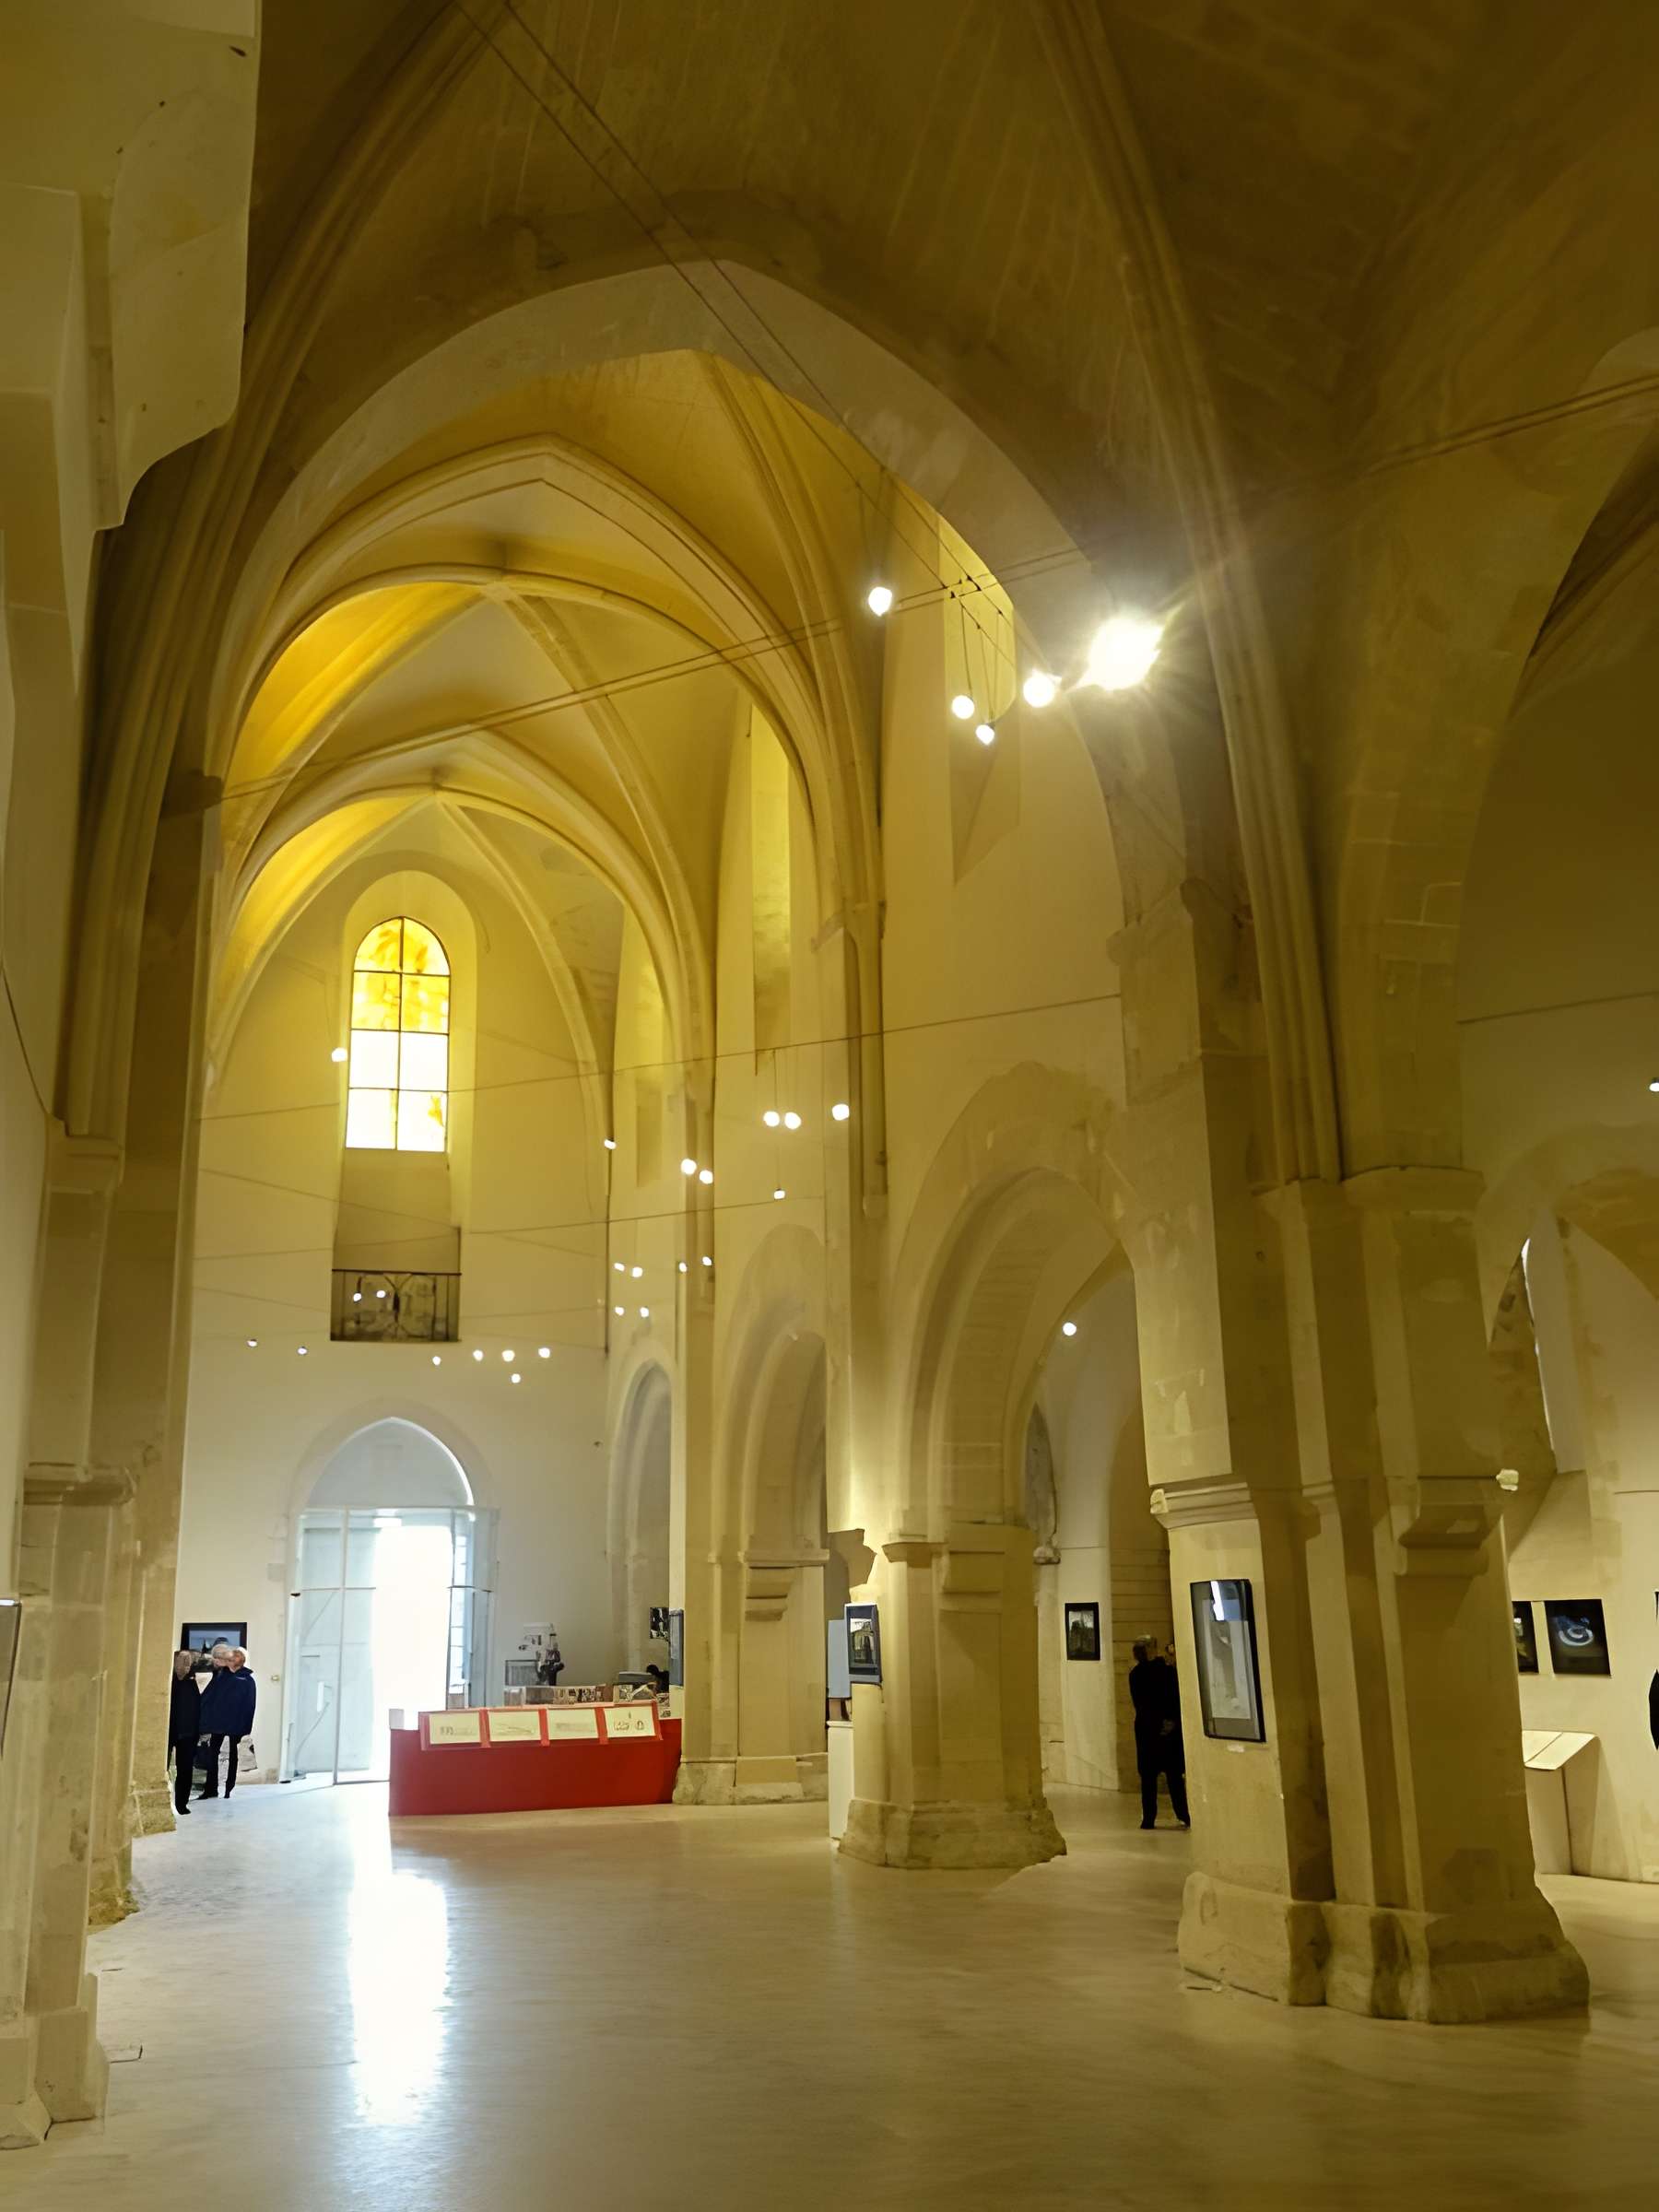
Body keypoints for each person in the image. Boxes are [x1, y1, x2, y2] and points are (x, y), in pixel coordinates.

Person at [1128, 1634, 1189, 1830]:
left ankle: (1151, 1818)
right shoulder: (1166, 1672)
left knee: (1153, 1777)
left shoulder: (1138, 1674)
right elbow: (1172, 1699)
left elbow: (1143, 1703)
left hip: (1149, 1729)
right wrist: (1169, 1721)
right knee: (1169, 1777)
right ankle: (1182, 1814)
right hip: (1161, 1729)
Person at [199, 1644, 256, 1798]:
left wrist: (246, 1729)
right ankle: (210, 1789)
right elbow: (209, 1698)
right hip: (217, 1723)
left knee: (233, 1756)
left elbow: (250, 1705)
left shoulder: (247, 1679)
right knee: (213, 1754)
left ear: (242, 1661)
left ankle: (228, 1789)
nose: (231, 1659)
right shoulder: (220, 1676)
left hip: (236, 1725)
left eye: (235, 1657)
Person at [169, 1649, 202, 1818]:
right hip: (169, 1730)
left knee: (185, 1769)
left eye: (188, 1662)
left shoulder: (193, 1680)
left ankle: (182, 1803)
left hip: (189, 1732)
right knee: (164, 1767)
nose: (185, 1666)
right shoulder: (168, 1680)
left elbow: (198, 1706)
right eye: (182, 1662)